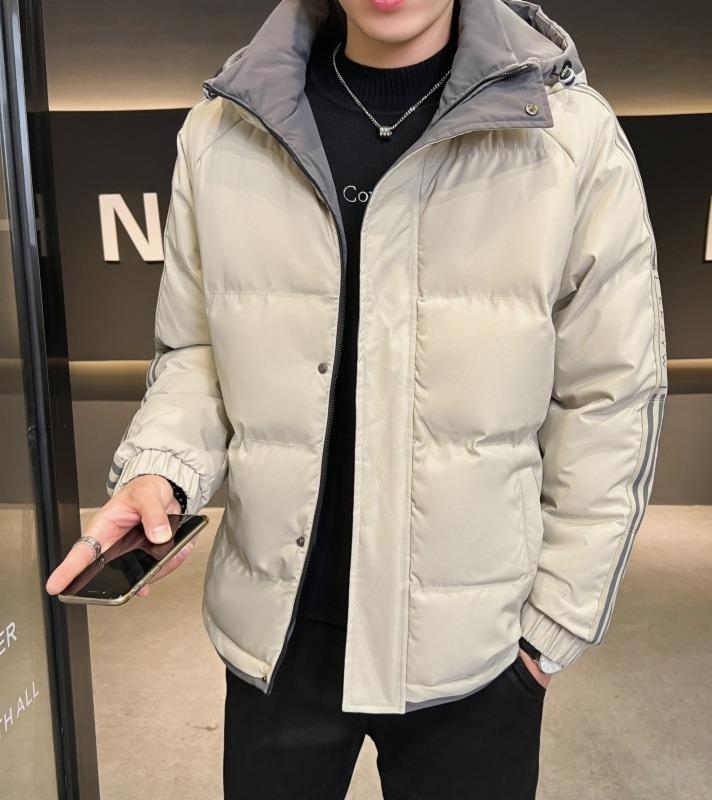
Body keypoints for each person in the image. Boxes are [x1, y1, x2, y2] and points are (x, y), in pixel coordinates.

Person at [46, 0, 668, 796]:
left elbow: (611, 395)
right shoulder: (223, 132)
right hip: (277, 636)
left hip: (476, 652)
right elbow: (197, 351)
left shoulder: (568, 136)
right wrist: (160, 468)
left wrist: (550, 633)